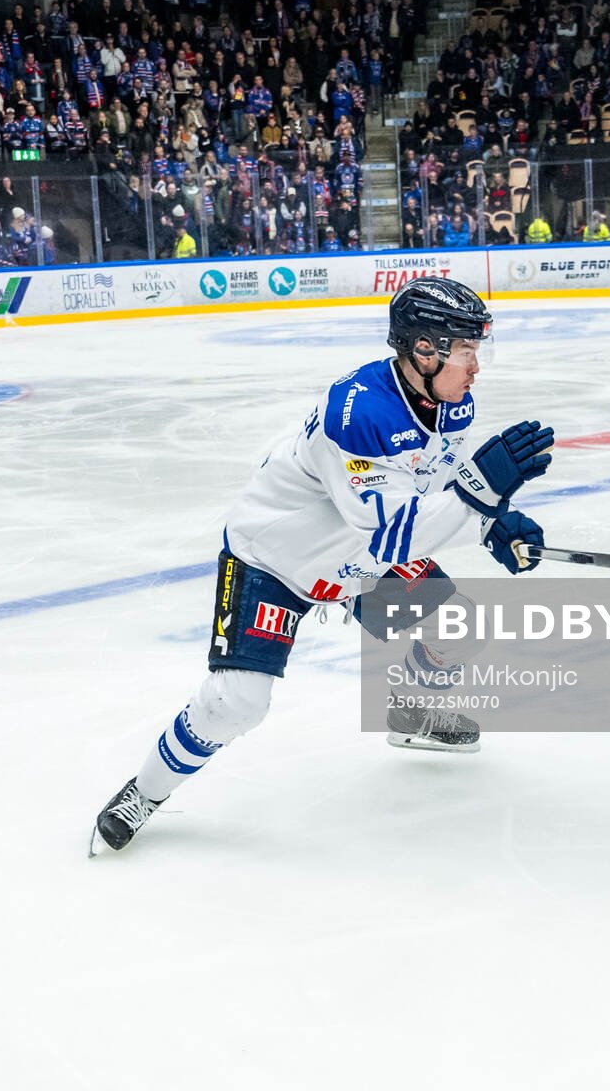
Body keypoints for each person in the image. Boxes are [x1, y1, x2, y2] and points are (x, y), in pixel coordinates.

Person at [92, 278, 555, 853]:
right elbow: (391, 539)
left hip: (353, 557)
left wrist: (493, 519)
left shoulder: (449, 405)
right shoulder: (360, 415)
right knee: (236, 702)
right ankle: (145, 792)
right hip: (277, 561)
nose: (475, 367)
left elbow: (431, 488)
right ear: (423, 350)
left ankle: (410, 712)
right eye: (464, 351)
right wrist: (480, 496)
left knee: (460, 629)